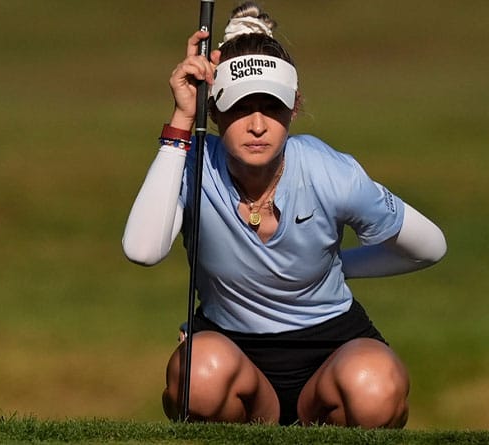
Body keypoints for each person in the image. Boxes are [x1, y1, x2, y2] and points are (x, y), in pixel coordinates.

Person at [122, 2, 446, 428]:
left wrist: (335, 267)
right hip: (232, 351)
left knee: (376, 389)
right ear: (213, 110)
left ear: (294, 107)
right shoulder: (192, 162)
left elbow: (428, 248)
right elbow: (143, 249)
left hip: (333, 346)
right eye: (239, 107)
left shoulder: (331, 171)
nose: (257, 125)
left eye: (272, 107)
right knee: (196, 379)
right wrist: (183, 119)